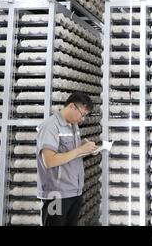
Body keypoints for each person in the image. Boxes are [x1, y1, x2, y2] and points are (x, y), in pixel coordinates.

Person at [36, 92, 98, 226]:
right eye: (82, 114)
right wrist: (80, 150)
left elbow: (70, 153)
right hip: (56, 195)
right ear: (72, 106)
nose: (82, 119)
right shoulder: (50, 126)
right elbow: (49, 161)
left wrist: (85, 149)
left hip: (74, 191)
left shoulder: (73, 125)